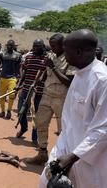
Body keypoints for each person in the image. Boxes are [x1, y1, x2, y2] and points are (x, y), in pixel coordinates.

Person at [39, 29, 107, 188]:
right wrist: (60, 152)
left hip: (90, 159)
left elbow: (103, 129)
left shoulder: (101, 80)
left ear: (78, 52)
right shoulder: (80, 74)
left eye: (66, 51)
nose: (64, 55)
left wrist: (73, 156)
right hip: (65, 148)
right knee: (45, 182)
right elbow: (69, 120)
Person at [25, 34, 75, 165]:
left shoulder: (70, 58)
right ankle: (42, 153)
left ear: (63, 45)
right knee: (40, 123)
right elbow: (46, 73)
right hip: (47, 95)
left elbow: (69, 81)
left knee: (63, 130)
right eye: (51, 45)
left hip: (62, 97)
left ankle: (63, 158)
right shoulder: (51, 56)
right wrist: (37, 82)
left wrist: (53, 67)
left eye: (54, 45)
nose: (52, 48)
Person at [15, 39, 47, 144]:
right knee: (21, 111)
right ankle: (24, 127)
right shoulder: (28, 57)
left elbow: (46, 75)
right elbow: (24, 72)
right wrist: (19, 84)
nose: (35, 48)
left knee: (36, 115)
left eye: (38, 46)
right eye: (34, 46)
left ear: (43, 47)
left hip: (39, 92)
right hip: (26, 89)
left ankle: (34, 138)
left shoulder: (46, 59)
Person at [0, 40, 22, 119]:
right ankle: (2, 111)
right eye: (8, 45)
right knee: (1, 96)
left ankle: (9, 111)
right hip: (2, 77)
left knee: (12, 95)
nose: (9, 47)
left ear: (14, 46)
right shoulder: (2, 54)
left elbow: (19, 67)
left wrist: (20, 77)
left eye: (11, 45)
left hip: (12, 78)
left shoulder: (18, 55)